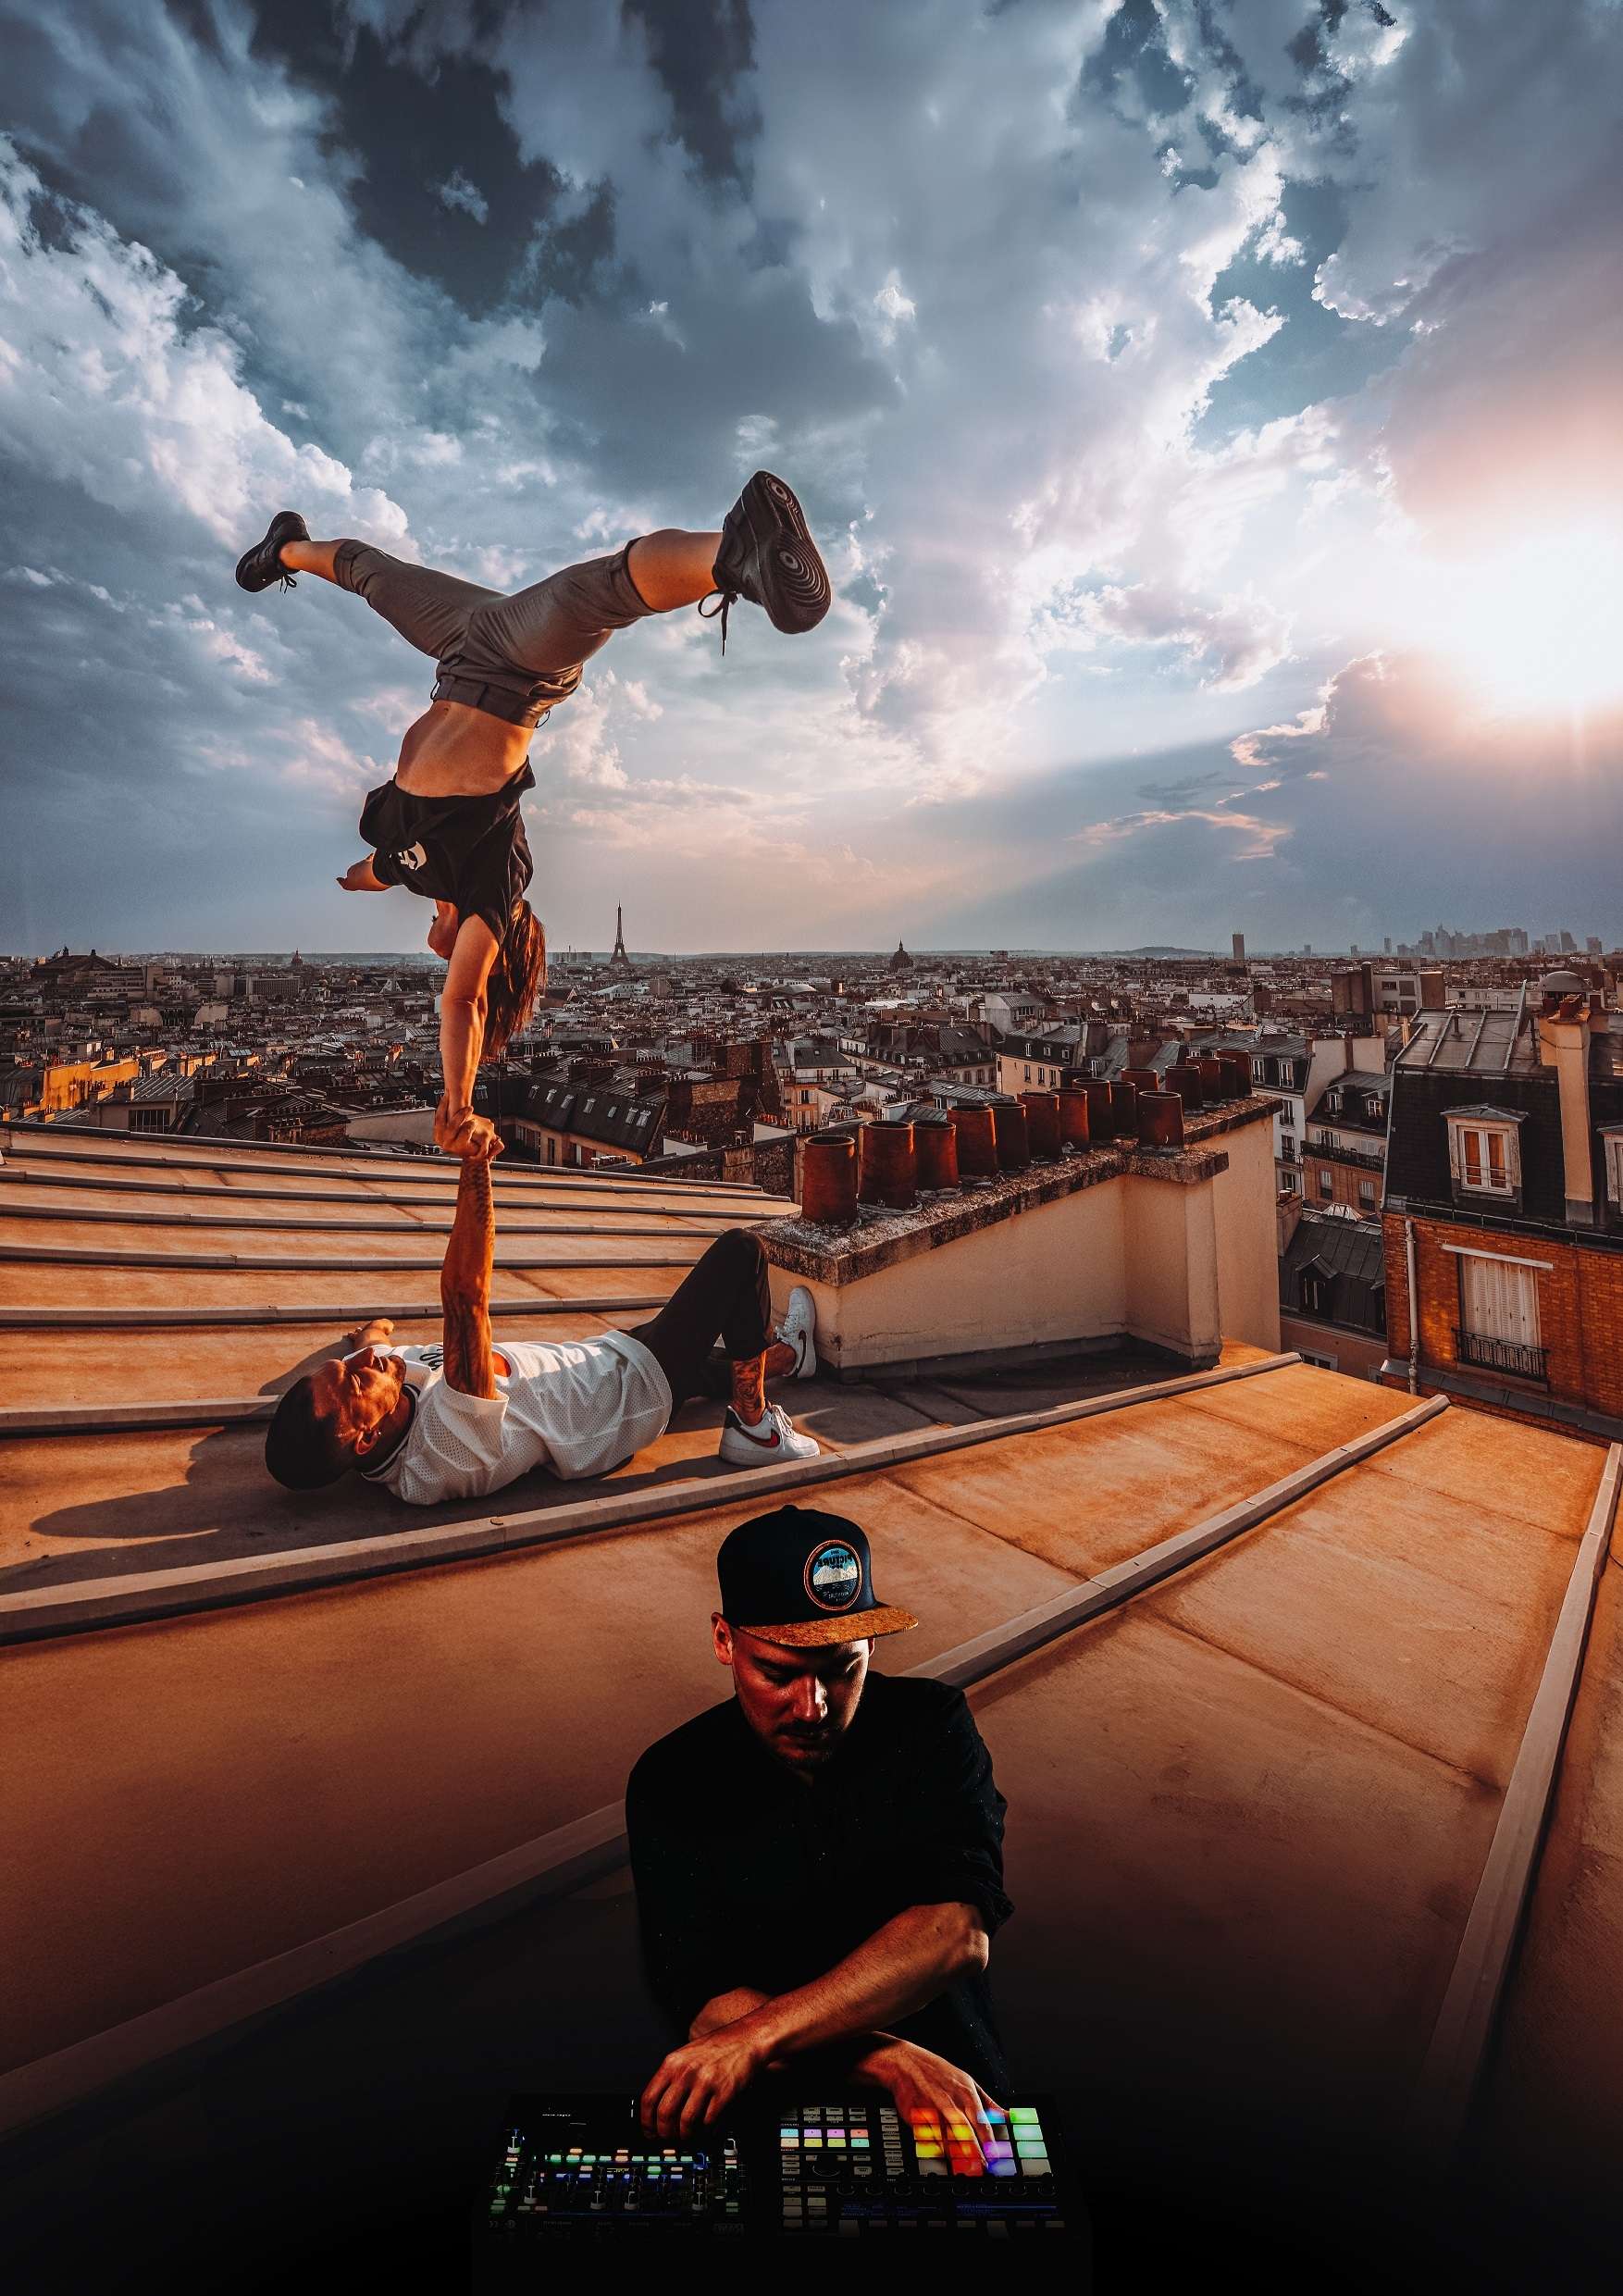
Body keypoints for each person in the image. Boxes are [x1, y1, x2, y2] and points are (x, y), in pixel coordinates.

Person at [234, 474, 830, 1160]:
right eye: (459, 957)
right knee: (604, 592)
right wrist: (455, 1108)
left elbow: (378, 870)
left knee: (368, 572)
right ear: (488, 954)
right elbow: (464, 1007)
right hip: (519, 667)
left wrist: (360, 878)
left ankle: (286, 549)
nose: (437, 949)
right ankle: (738, 550)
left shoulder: (417, 868)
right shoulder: (495, 886)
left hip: (460, 651)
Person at [626, 1506, 1013, 2156]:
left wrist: (755, 2037)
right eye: (778, 1673)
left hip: (963, 2113)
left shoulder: (931, 1724)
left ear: (871, 1647)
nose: (814, 1706)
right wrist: (888, 2058)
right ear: (725, 1640)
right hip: (769, 2124)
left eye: (841, 1667)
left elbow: (954, 1934)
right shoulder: (672, 1777)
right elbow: (704, 2004)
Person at [262, 1143, 823, 1498]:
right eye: (357, 1377)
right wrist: (475, 1161)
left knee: (719, 1364)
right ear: (364, 1441)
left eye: (348, 1366)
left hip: (597, 1359)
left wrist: (366, 1340)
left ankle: (795, 1357)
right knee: (741, 1254)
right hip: (626, 1395)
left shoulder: (386, 1391)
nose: (368, 1363)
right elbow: (466, 1298)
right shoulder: (441, 1450)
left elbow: (375, 1349)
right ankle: (753, 1427)